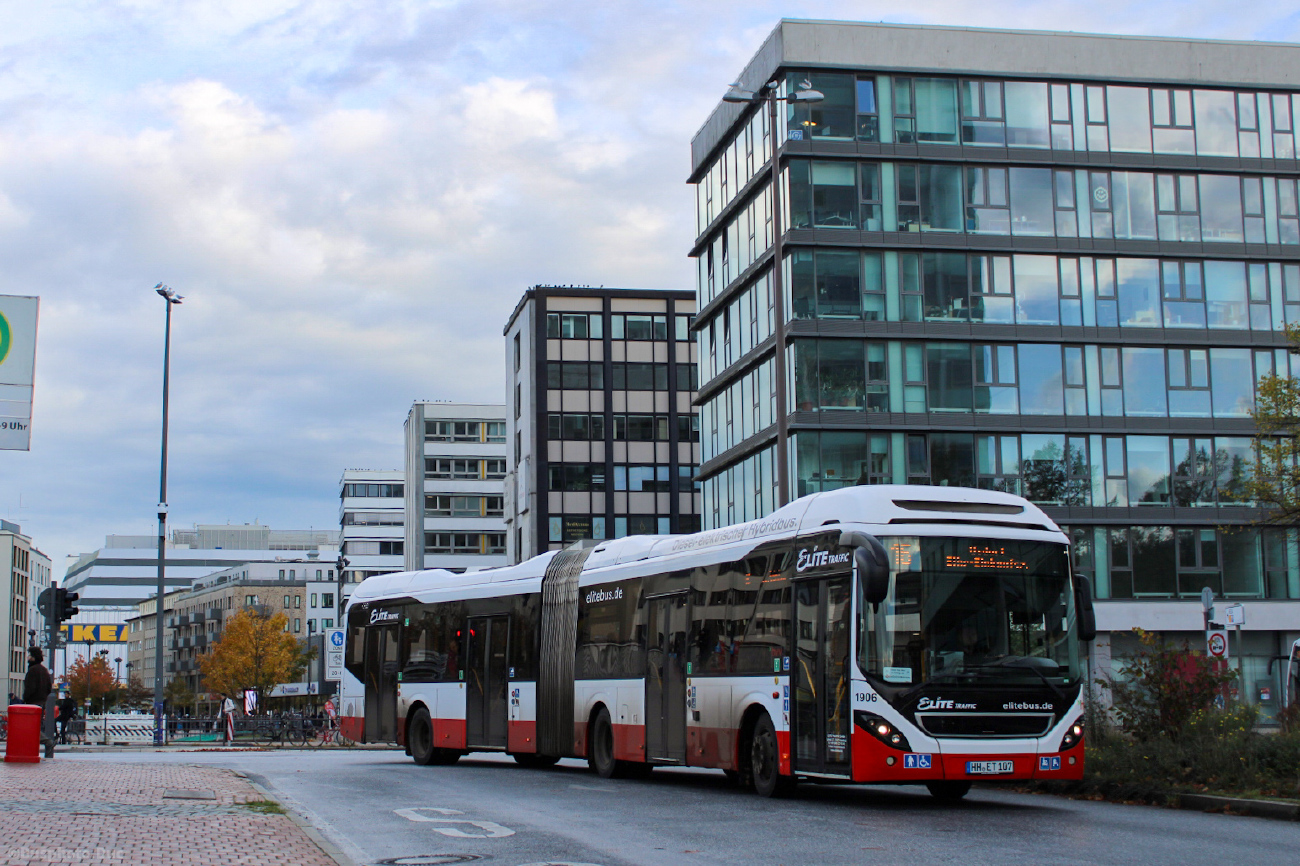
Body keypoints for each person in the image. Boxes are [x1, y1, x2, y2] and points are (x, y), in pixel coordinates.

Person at [22, 647, 53, 744]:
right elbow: (49, 688)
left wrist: (25, 699)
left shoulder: (32, 670)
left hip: (32, 703)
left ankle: (48, 742)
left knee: (30, 727)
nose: (28, 658)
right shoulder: (44, 671)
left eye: (29, 655)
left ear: (33, 657)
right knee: (36, 726)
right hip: (42, 703)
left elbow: (30, 688)